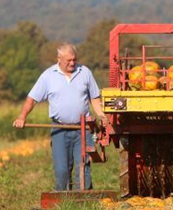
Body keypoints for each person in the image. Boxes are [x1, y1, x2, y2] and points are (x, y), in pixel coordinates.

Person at [13, 43, 106, 191]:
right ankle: (62, 201)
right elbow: (32, 99)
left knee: (83, 166)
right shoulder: (48, 76)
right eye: (68, 60)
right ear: (59, 59)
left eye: (74, 59)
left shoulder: (85, 72)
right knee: (62, 168)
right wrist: (22, 117)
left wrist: (101, 114)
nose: (72, 63)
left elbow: (94, 98)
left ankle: (85, 200)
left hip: (82, 129)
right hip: (59, 129)